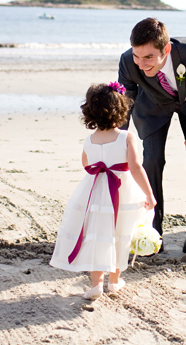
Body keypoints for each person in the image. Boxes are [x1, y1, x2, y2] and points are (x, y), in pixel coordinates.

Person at [118, 18, 186, 260]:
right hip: (153, 108)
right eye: (137, 56)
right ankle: (152, 237)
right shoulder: (127, 61)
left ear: (166, 49)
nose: (142, 65)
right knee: (151, 161)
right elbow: (123, 102)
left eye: (149, 58)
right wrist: (118, 139)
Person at [49, 82, 156, 300]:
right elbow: (135, 167)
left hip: (96, 190)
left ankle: (96, 284)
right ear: (121, 109)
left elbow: (86, 164)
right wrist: (149, 194)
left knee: (97, 234)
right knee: (120, 232)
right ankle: (114, 282)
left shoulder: (89, 139)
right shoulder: (126, 137)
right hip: (122, 189)